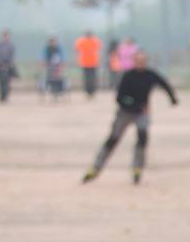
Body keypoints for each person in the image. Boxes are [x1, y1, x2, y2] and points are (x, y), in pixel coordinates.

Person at [82, 50, 178, 185]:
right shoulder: (128, 76)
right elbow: (119, 97)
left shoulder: (150, 75)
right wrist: (133, 105)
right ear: (135, 62)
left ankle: (137, 168)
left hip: (142, 112)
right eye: (138, 61)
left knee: (142, 137)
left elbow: (164, 84)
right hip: (125, 112)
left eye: (143, 61)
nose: (141, 64)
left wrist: (172, 98)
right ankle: (96, 168)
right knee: (113, 139)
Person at [74, 31, 102, 98]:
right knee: (89, 79)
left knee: (90, 78)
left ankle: (91, 91)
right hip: (87, 63)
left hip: (91, 63)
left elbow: (77, 49)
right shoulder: (84, 41)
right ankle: (89, 91)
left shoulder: (83, 41)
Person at [0, 31, 18, 103]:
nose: (5, 37)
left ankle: (6, 96)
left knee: (8, 82)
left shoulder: (11, 45)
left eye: (6, 36)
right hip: (1, 65)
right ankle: (1, 97)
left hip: (9, 65)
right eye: (4, 36)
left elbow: (12, 55)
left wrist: (10, 64)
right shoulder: (0, 45)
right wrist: (0, 64)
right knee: (1, 82)